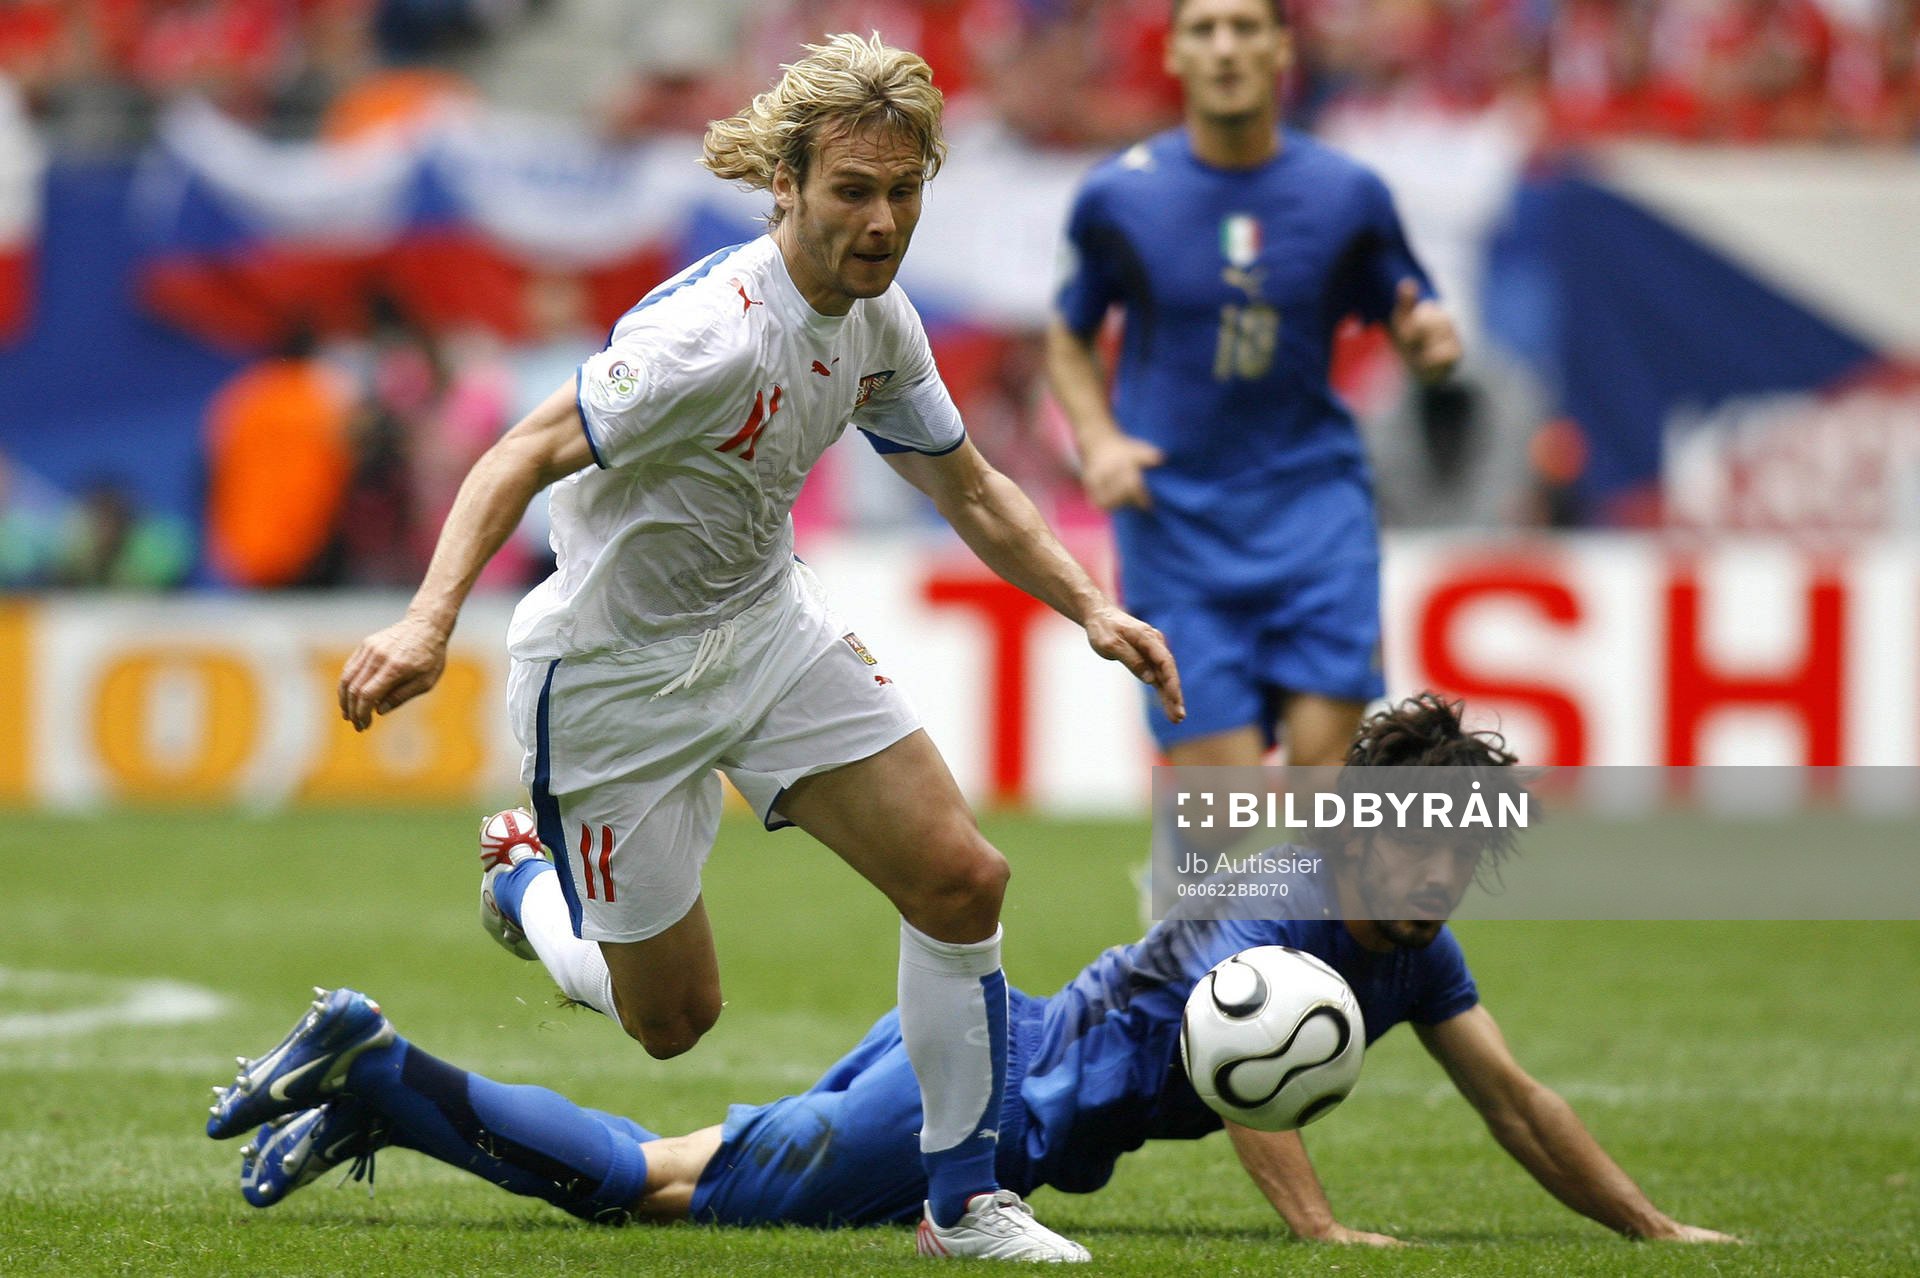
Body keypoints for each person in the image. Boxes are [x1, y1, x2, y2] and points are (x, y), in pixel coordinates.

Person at [332, 33, 1183, 1263]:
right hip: (617, 676)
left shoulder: (880, 324)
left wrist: (1091, 608)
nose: (883, 219)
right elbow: (520, 450)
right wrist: (426, 620)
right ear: (785, 184)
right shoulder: (710, 336)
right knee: (673, 1023)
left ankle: (963, 1202)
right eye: (853, 190)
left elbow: (976, 490)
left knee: (962, 880)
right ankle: (524, 877)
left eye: (904, 190)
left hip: (767, 628)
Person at [207, 696, 1736, 1249]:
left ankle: (379, 1098)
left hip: (964, 1046)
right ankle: (388, 1068)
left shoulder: (1414, 948)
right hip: (983, 1116)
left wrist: (1653, 1225)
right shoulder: (1285, 908)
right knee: (651, 1193)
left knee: (689, 1163)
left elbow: (1516, 1099)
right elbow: (1242, 1062)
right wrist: (1322, 1233)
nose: (1434, 871)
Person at [1045, 0, 1462, 769]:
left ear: (1281, 48)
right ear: (1173, 54)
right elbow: (1068, 335)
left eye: (1245, 28)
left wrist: (1431, 350)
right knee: (1226, 802)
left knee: (1319, 781)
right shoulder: (1119, 197)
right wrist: (1098, 441)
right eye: (1204, 30)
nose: (1226, 48)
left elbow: (1416, 321)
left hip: (1313, 506)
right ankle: (1185, 890)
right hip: (1175, 518)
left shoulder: (1348, 194)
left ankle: (1297, 893)